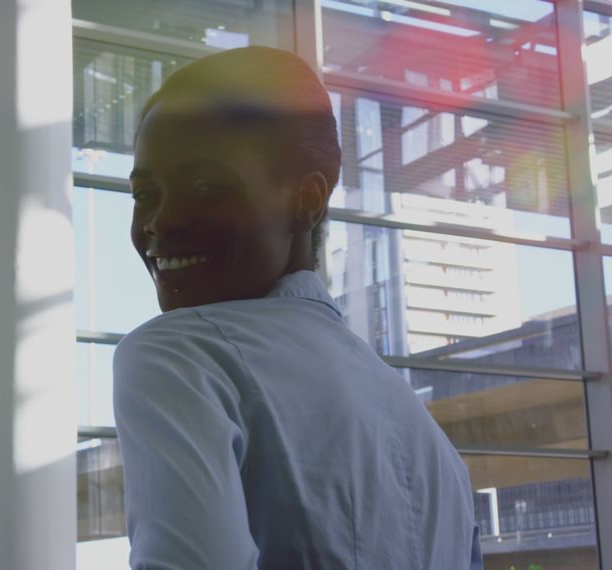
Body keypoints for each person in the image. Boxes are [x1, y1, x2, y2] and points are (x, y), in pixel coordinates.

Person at [114, 46, 482, 569]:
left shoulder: (178, 355)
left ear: (306, 200)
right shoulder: (428, 441)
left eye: (205, 187)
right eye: (145, 193)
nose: (161, 221)